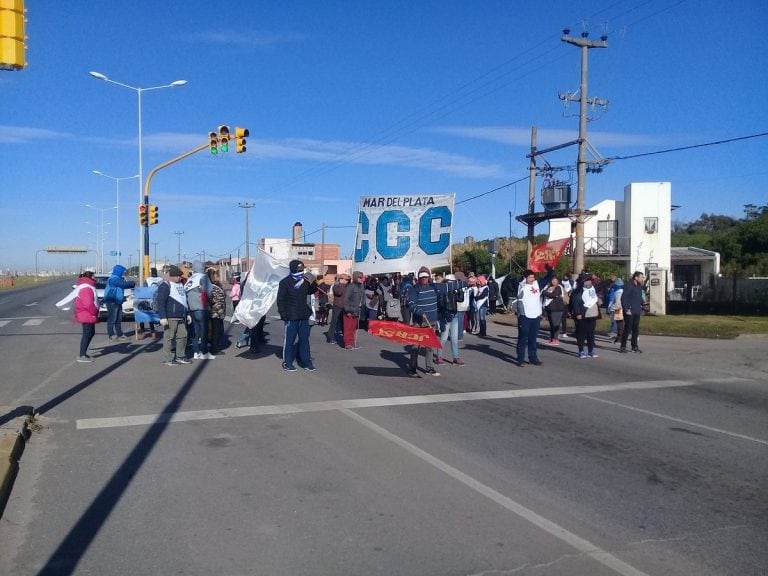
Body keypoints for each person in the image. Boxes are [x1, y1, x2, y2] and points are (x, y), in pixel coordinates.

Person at [276, 259, 318, 371]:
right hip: (291, 317)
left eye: (302, 269)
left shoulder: (304, 281)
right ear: (293, 269)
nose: (301, 271)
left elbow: (312, 291)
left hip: (303, 316)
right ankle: (287, 363)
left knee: (304, 340)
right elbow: (280, 300)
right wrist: (284, 314)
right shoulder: (285, 282)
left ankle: (306, 362)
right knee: (290, 341)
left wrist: (313, 281)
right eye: (299, 269)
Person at [56, 271, 100, 362]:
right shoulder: (86, 287)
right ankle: (82, 355)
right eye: (94, 276)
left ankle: (83, 354)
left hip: (87, 314)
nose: (95, 278)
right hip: (87, 314)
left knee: (90, 333)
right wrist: (94, 311)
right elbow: (88, 304)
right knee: (87, 334)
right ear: (90, 277)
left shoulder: (86, 286)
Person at [515, 265, 554, 366]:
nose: (532, 279)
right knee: (523, 338)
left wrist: (550, 269)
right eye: (530, 277)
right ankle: (520, 359)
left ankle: (533, 357)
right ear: (525, 278)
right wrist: (521, 315)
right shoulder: (521, 286)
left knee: (533, 339)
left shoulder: (537, 284)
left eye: (533, 277)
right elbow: (519, 299)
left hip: (535, 316)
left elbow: (548, 278)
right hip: (524, 316)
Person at [407, 266, 440, 377]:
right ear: (418, 277)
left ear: (429, 277)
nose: (424, 279)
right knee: (415, 347)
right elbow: (411, 304)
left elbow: (448, 287)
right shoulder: (414, 289)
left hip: (432, 322)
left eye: (426, 277)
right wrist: (419, 311)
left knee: (430, 346)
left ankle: (429, 368)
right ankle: (412, 368)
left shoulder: (433, 287)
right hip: (418, 322)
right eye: (422, 277)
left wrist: (467, 283)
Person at [157, 265, 192, 366]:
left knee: (183, 335)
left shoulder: (180, 285)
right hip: (170, 316)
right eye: (178, 276)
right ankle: (168, 358)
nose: (180, 277)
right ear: (172, 276)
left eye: (180, 276)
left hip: (181, 315)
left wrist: (188, 313)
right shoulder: (165, 285)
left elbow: (184, 300)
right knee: (169, 337)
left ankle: (180, 356)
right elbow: (161, 302)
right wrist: (163, 317)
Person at [185, 260, 216, 360]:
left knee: (194, 331)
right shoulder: (203, 277)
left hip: (191, 308)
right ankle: (204, 352)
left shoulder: (190, 279)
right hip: (202, 307)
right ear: (202, 267)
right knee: (204, 331)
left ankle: (195, 352)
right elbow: (210, 291)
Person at [435, 273, 466, 365]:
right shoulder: (442, 292)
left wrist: (460, 290)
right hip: (445, 316)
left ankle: (456, 358)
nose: (451, 284)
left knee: (454, 338)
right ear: (446, 282)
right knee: (443, 338)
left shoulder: (454, 291)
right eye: (449, 282)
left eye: (453, 282)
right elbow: (440, 304)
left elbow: (460, 299)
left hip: (454, 315)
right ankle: (439, 356)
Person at [103, 264, 136, 340]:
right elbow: (123, 285)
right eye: (123, 271)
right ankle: (111, 335)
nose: (123, 273)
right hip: (112, 301)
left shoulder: (118, 278)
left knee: (118, 319)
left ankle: (120, 334)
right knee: (112, 318)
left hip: (117, 301)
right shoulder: (114, 278)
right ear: (119, 271)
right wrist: (133, 283)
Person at [571, 272, 600, 358]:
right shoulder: (578, 291)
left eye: (590, 280)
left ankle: (591, 351)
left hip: (592, 314)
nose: (589, 282)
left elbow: (601, 284)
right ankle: (581, 351)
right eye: (587, 280)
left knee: (591, 334)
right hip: (583, 315)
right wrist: (578, 313)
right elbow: (575, 303)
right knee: (581, 334)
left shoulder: (593, 288)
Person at [620, 271, 646, 353]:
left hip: (637, 310)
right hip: (629, 311)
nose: (642, 279)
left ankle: (634, 346)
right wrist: (626, 309)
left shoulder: (639, 286)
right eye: (641, 277)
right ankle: (623, 346)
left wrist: (643, 303)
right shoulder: (629, 286)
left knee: (635, 329)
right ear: (636, 277)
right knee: (628, 329)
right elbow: (624, 298)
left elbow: (639, 297)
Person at [342, 271, 365, 350]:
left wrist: (363, 303)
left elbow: (363, 296)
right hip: (350, 310)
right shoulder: (350, 286)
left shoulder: (361, 286)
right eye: (360, 277)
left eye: (362, 278)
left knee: (353, 328)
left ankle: (352, 342)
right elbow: (345, 299)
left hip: (357, 310)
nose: (361, 279)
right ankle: (347, 343)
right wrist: (347, 310)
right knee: (348, 327)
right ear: (355, 277)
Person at [139, 267, 162, 340]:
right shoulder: (161, 280)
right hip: (158, 301)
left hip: (149, 300)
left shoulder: (148, 280)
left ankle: (143, 332)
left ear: (151, 273)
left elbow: (144, 289)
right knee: (152, 317)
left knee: (142, 316)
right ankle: (153, 333)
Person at [207, 268, 226, 355]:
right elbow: (210, 298)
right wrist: (214, 301)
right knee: (215, 331)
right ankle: (214, 349)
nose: (217, 276)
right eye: (215, 275)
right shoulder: (211, 286)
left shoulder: (217, 285)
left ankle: (215, 346)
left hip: (220, 312)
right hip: (215, 312)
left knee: (219, 331)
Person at [543, 276, 566, 345]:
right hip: (549, 308)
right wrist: (545, 292)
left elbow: (553, 295)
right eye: (553, 280)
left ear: (558, 281)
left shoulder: (558, 287)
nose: (554, 281)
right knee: (551, 324)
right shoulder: (549, 287)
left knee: (555, 324)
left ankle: (556, 339)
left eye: (556, 280)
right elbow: (544, 294)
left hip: (557, 308)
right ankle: (552, 338)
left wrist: (545, 293)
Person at [328, 273, 349, 344]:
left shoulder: (347, 286)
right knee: (334, 322)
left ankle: (345, 338)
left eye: (347, 280)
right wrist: (341, 284)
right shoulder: (336, 286)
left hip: (345, 307)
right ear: (341, 279)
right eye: (345, 279)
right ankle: (331, 337)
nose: (346, 281)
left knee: (344, 323)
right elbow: (338, 292)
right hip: (337, 306)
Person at [609, 278, 625, 344]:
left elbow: (616, 302)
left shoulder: (616, 292)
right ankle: (620, 338)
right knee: (621, 324)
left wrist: (611, 309)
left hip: (618, 309)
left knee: (619, 324)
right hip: (623, 309)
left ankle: (619, 338)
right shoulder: (624, 291)